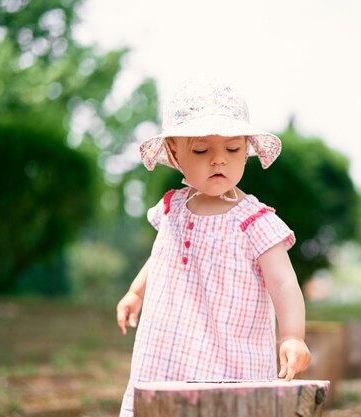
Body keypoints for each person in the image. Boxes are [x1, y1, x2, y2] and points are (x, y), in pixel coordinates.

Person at [116, 78, 311, 416]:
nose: (219, 160)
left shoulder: (254, 220)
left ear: (246, 152)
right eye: (202, 150)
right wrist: (136, 293)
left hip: (229, 356)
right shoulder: (172, 208)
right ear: (175, 154)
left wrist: (292, 335)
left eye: (233, 149)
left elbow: (283, 283)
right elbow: (162, 257)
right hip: (166, 349)